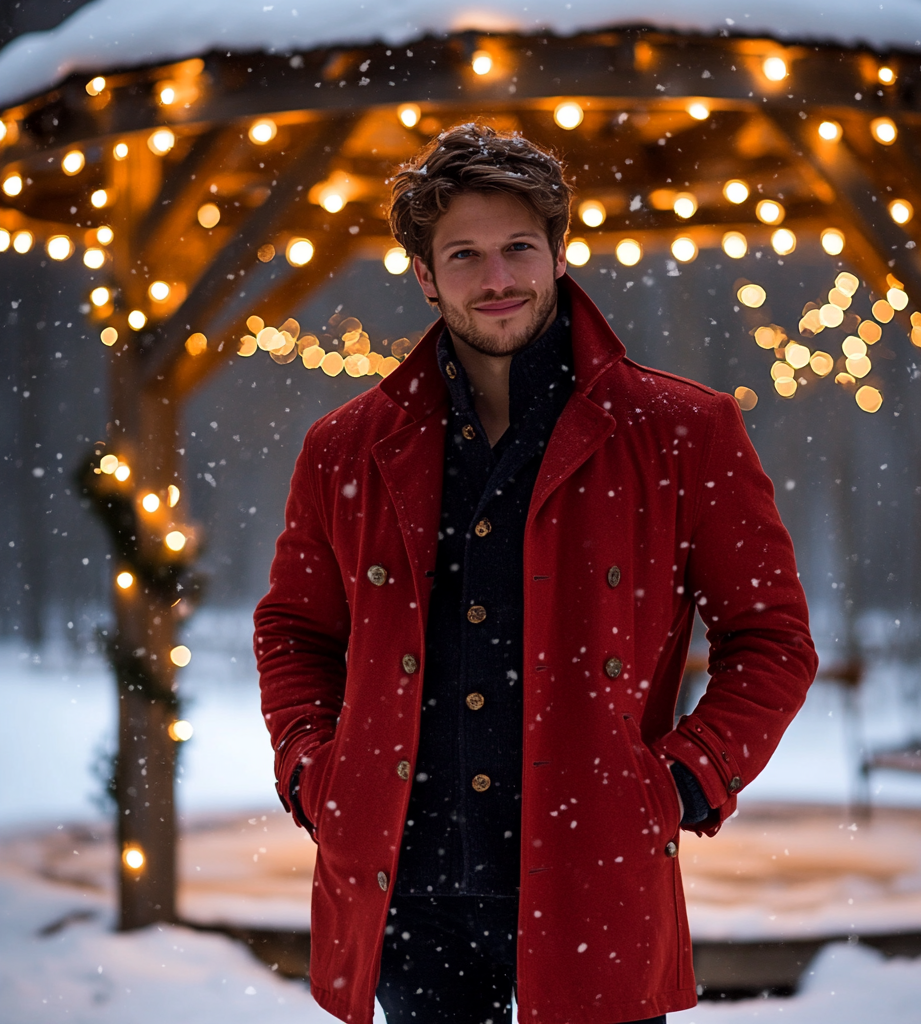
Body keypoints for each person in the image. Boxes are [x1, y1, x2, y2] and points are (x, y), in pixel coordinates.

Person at [254, 123, 817, 1024]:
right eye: (465, 254)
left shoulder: (681, 430)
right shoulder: (344, 448)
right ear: (426, 275)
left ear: (559, 254)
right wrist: (313, 771)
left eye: (519, 247)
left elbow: (772, 640)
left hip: (592, 864)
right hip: (409, 880)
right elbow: (295, 632)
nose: (498, 278)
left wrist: (685, 779)